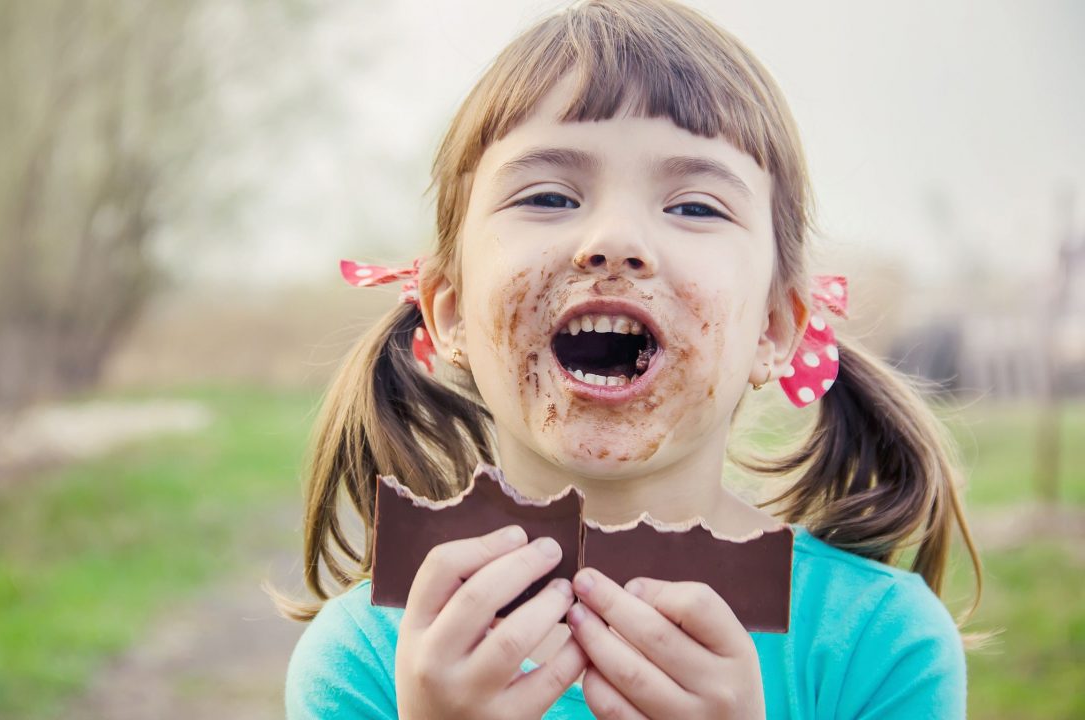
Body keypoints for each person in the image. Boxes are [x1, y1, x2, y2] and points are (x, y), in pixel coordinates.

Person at [276, 1, 982, 717]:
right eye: (549, 196)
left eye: (696, 207)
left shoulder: (877, 645)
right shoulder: (367, 659)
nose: (614, 240)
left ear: (773, 328)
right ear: (449, 311)